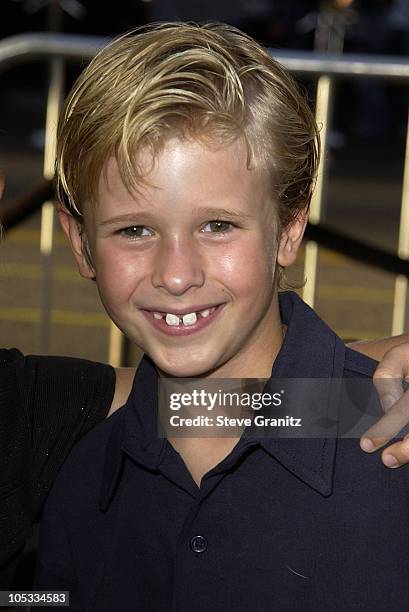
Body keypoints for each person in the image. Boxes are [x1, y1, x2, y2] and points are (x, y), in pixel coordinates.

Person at [9, 23, 409, 608]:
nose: (176, 274)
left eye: (217, 225)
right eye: (135, 230)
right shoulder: (80, 480)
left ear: (290, 227)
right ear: (80, 243)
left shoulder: (391, 442)